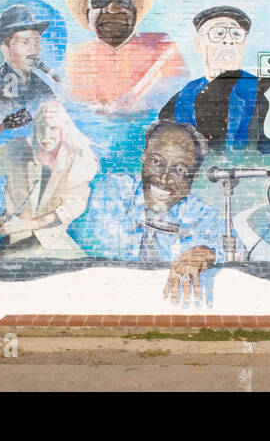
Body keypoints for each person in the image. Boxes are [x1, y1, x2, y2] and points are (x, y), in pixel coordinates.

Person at [83, 119, 224, 303]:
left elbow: (233, 246)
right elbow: (101, 252)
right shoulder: (114, 191)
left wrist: (207, 252)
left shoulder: (202, 214)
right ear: (144, 157)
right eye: (157, 161)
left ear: (195, 175)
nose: (164, 178)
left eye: (180, 169)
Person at [0, 101, 98, 260]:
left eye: (53, 128)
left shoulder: (77, 161)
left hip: (51, 243)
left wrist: (24, 225)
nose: (45, 135)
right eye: (41, 127)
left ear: (63, 130)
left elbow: (68, 210)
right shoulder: (15, 149)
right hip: (11, 240)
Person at [62, 0, 188, 114]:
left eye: (123, 0)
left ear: (135, 11)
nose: (113, 9)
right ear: (88, 13)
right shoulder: (75, 58)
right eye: (100, 0)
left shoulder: (163, 47)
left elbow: (177, 96)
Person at [158, 6, 259, 152]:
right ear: (198, 45)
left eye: (236, 34)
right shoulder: (183, 96)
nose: (229, 40)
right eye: (218, 33)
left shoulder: (260, 90)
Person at [0, 4, 56, 120]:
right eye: (24, 42)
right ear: (5, 49)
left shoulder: (42, 87)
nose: (33, 49)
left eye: (36, 42)